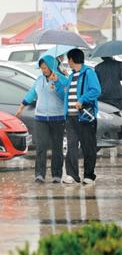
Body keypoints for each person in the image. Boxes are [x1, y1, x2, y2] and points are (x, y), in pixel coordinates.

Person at [49, 48, 101, 185]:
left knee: (88, 146)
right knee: (71, 146)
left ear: (72, 60)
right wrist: (57, 83)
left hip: (84, 116)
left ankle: (89, 175)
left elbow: (96, 90)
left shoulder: (89, 73)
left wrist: (82, 99)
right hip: (70, 117)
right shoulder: (72, 76)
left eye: (68, 59)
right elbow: (65, 95)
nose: (67, 62)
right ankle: (72, 175)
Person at [15, 55, 66, 184]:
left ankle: (57, 175)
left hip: (58, 118)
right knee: (41, 146)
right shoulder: (39, 80)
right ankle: (39, 175)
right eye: (42, 68)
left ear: (51, 66)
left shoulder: (62, 79)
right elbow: (32, 93)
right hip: (41, 118)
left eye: (45, 68)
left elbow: (64, 96)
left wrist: (57, 82)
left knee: (57, 148)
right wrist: (21, 106)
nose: (43, 70)